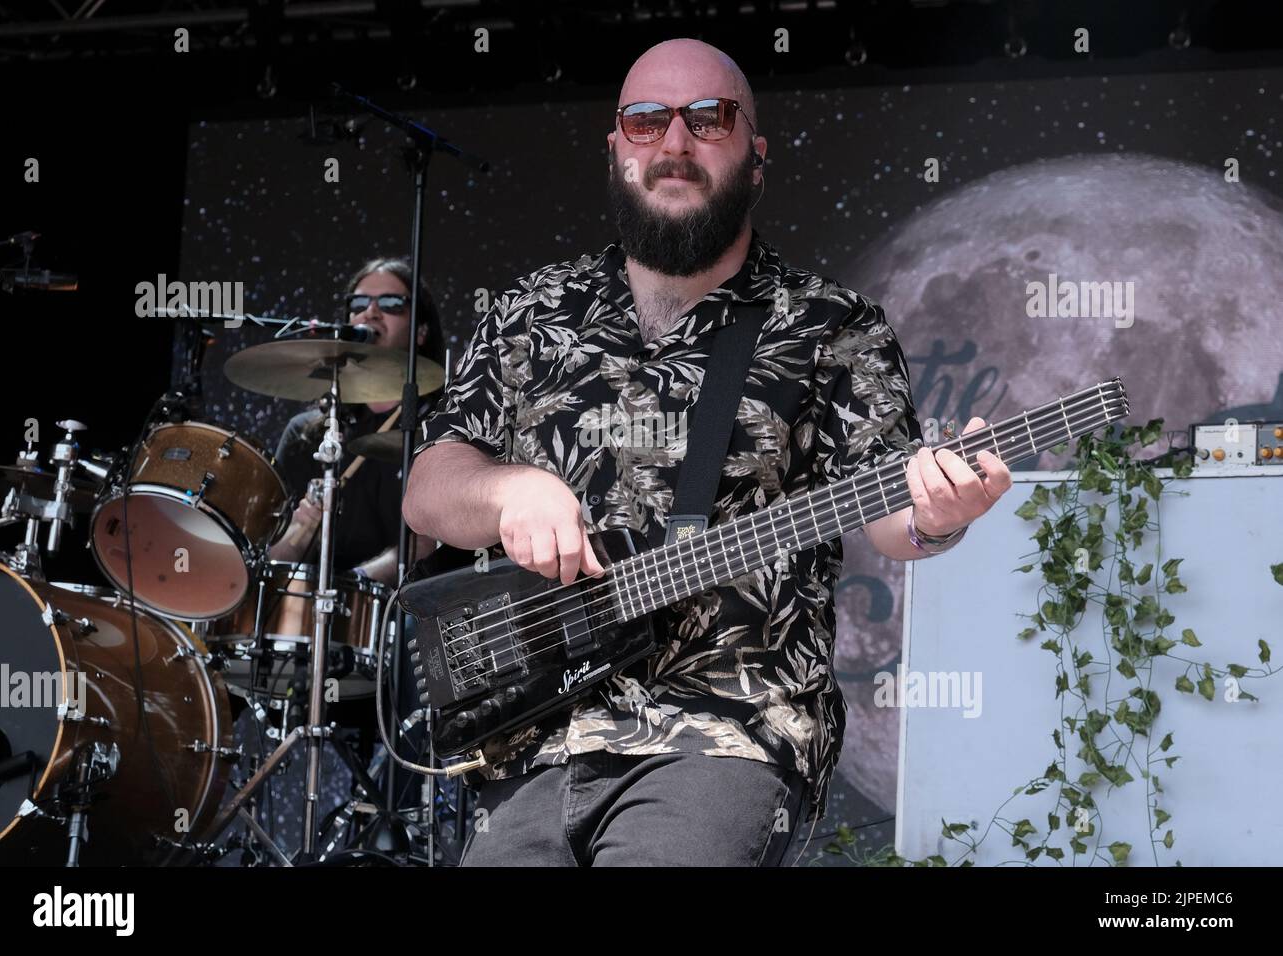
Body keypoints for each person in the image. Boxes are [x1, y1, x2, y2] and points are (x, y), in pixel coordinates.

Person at [402, 39, 1012, 867]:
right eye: (647, 121)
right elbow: (431, 488)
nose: (675, 143)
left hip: (726, 730)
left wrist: (939, 517)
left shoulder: (831, 327)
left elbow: (894, 512)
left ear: (754, 156)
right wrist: (512, 492)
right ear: (617, 149)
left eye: (708, 118)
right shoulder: (530, 312)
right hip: (532, 743)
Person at [269, 257, 441, 582]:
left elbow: (425, 544)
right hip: (307, 616)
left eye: (391, 303)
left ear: (421, 332)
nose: (370, 312)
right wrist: (299, 530)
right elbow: (274, 560)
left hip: (403, 614)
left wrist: (355, 584)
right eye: (359, 303)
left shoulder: (441, 427)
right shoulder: (307, 433)